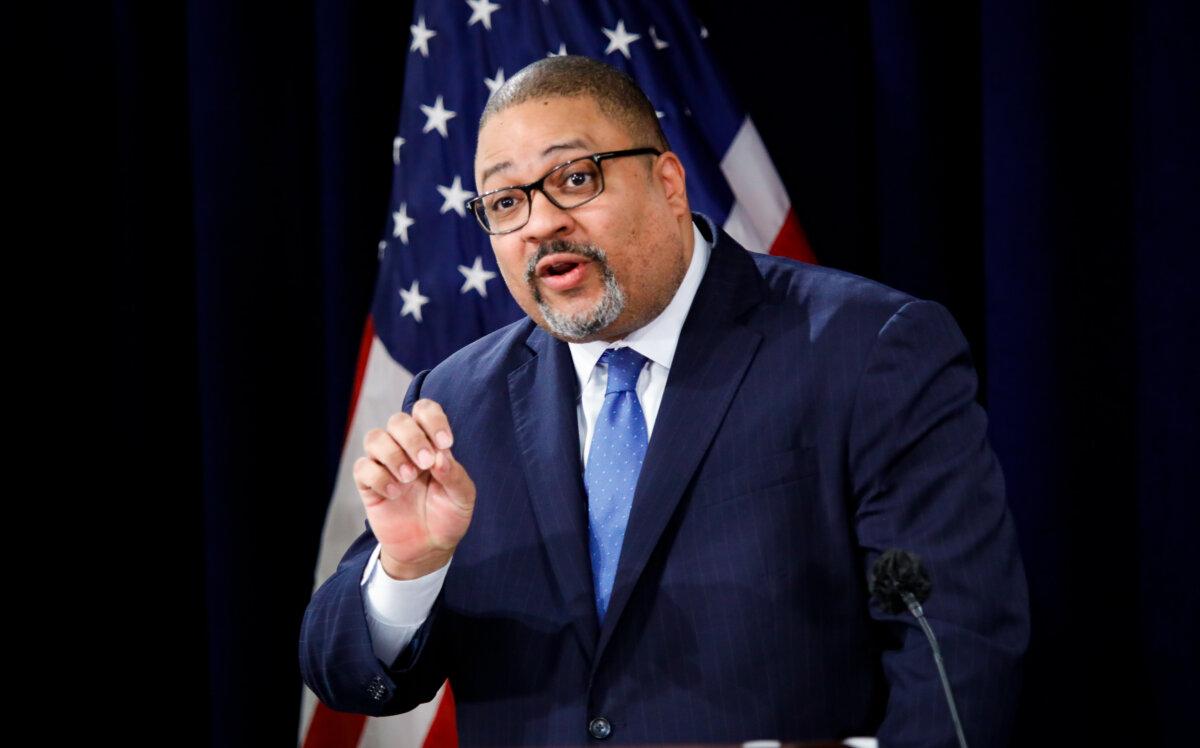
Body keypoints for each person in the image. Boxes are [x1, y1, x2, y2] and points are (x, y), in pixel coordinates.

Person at [299, 55, 1029, 747]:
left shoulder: (863, 350)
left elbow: (956, 645)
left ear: (670, 184)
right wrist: (408, 568)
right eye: (506, 201)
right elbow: (343, 675)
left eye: (575, 178)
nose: (541, 221)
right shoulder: (455, 404)